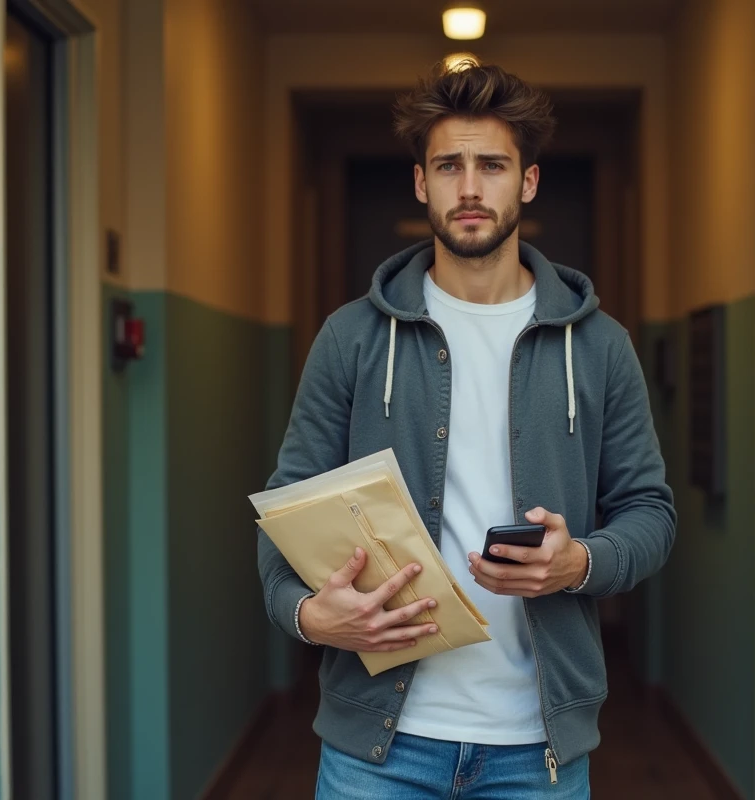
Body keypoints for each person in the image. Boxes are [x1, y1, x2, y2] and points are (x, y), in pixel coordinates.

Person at [257, 59, 676, 799]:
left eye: (493, 165)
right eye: (450, 166)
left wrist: (579, 563)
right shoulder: (351, 338)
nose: (471, 188)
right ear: (422, 183)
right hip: (376, 754)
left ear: (529, 181)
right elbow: (286, 507)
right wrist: (309, 617)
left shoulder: (599, 345)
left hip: (536, 752)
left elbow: (651, 514)